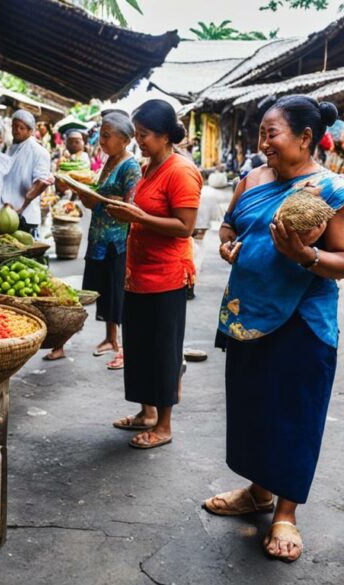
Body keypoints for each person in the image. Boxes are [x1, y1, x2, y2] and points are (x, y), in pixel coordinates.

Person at [203, 96, 344, 562]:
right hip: (248, 313)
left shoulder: (329, 191)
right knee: (253, 409)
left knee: (293, 416)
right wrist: (227, 246)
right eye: (262, 133)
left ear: (305, 138)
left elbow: (343, 261)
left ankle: (287, 513)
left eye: (273, 134)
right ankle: (258, 491)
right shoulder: (252, 179)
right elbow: (228, 228)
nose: (264, 143)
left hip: (302, 321)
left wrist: (307, 257)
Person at [106, 99, 201, 450]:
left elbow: (185, 227)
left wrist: (139, 219)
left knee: (162, 351)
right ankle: (146, 412)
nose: (138, 141)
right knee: (140, 346)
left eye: (143, 135)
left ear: (163, 136)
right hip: (139, 274)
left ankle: (164, 425)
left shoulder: (181, 171)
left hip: (167, 277)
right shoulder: (149, 168)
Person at [45, 113, 141, 365]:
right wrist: (80, 190)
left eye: (107, 136)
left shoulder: (131, 167)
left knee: (114, 295)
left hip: (117, 241)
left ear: (125, 139)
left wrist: (100, 200)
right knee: (90, 292)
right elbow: (94, 201)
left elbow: (131, 208)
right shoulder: (108, 161)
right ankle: (64, 342)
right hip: (98, 238)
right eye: (101, 134)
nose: (101, 140)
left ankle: (115, 343)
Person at [1, 109, 53, 237]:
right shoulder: (9, 148)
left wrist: (22, 208)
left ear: (30, 131)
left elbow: (41, 183)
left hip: (25, 217)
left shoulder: (39, 152)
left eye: (21, 127)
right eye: (14, 126)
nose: (16, 130)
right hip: (5, 214)